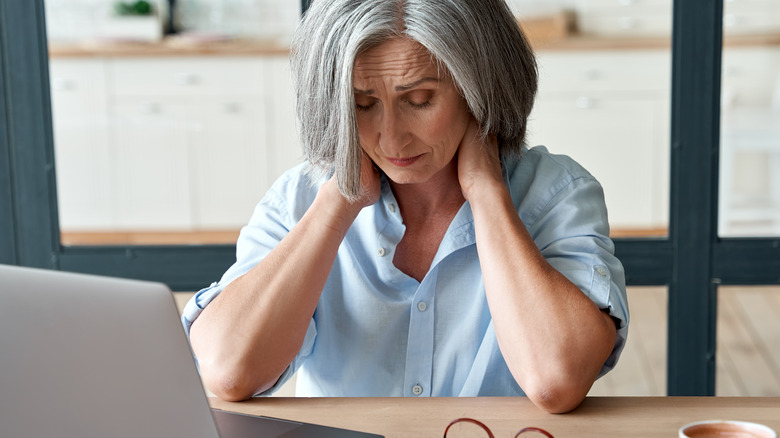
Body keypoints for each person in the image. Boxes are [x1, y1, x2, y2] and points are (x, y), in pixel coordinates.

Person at [182, 0, 629, 414]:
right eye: (363, 105)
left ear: (481, 88)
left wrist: (487, 193)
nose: (391, 139)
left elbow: (557, 380)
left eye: (419, 101)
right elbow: (228, 370)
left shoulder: (556, 194)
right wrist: (338, 203)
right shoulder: (298, 200)